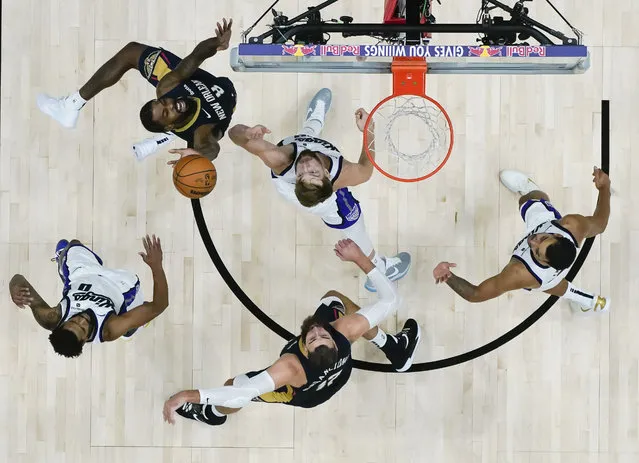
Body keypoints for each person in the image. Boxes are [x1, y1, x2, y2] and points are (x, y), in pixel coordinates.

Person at [162, 239, 421, 427]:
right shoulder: (345, 332)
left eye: (313, 337)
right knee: (334, 300)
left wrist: (186, 396)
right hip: (338, 375)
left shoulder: (290, 367)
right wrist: (360, 259)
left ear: (304, 349)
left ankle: (212, 415)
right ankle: (393, 348)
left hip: (301, 393)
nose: (317, 330)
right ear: (336, 340)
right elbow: (390, 300)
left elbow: (241, 394)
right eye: (323, 335)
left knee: (235, 385)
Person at [225, 88, 411, 292]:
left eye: (302, 173)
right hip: (335, 209)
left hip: (302, 179)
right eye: (313, 172)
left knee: (304, 140)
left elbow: (233, 134)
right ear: (327, 175)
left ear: (295, 179)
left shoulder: (281, 159)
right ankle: (380, 267)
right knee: (357, 232)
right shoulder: (343, 175)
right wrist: (369, 129)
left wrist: (246, 133)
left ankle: (313, 122)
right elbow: (366, 171)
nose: (305, 167)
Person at [36, 19, 236, 162]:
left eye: (163, 103)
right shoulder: (202, 131)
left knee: (132, 52)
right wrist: (198, 156)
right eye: (167, 112)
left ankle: (72, 104)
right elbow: (211, 149)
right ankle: (168, 139)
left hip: (194, 82)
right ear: (170, 125)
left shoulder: (168, 89)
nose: (170, 104)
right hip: (228, 97)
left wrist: (216, 42)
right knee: (192, 146)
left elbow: (195, 57)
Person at [432, 168, 611, 313]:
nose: (532, 241)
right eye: (543, 238)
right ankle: (592, 302)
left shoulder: (519, 274)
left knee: (548, 284)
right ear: (558, 235)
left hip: (539, 276)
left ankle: (589, 301)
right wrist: (605, 188)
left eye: (536, 251)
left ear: (546, 262)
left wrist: (448, 277)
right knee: (530, 198)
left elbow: (475, 294)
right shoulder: (572, 225)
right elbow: (600, 224)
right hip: (545, 241)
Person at [8, 235, 169, 357]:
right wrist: (157, 267)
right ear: (85, 339)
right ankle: (130, 330)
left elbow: (19, 279)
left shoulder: (51, 317)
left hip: (84, 274)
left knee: (73, 244)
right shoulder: (109, 329)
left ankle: (63, 264)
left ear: (61, 324)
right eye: (83, 328)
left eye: (73, 321)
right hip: (119, 286)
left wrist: (14, 288)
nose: (82, 320)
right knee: (137, 318)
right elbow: (159, 305)